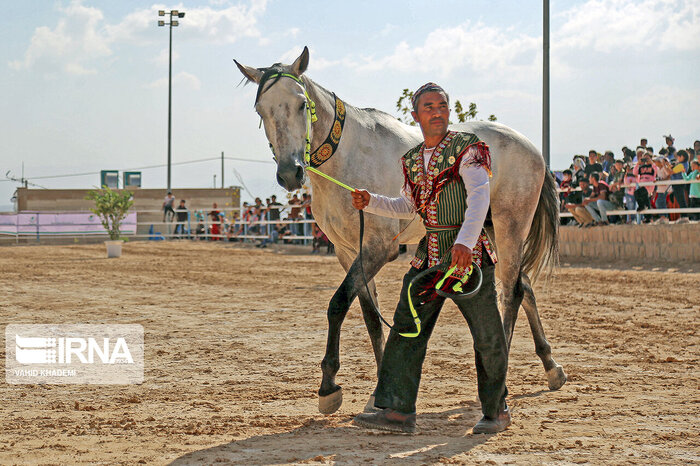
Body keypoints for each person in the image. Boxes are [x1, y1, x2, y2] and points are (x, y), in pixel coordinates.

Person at [351, 83, 510, 435]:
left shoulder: (467, 150)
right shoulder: (411, 160)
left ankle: (496, 411)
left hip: (468, 258)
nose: (437, 111)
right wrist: (370, 200)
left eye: (442, 105)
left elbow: (479, 197)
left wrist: (467, 243)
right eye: (428, 106)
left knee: (487, 335)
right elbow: (408, 206)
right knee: (407, 328)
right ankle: (397, 410)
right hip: (430, 256)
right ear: (415, 115)